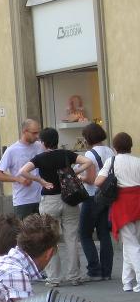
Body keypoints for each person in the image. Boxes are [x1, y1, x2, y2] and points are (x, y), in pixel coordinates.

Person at [18, 127, 93, 286]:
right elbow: (88, 162)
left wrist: (41, 181)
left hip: (49, 200)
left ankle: (54, 278)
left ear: (43, 142)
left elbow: (23, 171)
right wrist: (75, 172)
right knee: (71, 238)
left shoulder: (40, 158)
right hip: (69, 198)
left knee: (50, 240)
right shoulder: (66, 154)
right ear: (57, 140)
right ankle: (74, 276)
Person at [95, 132, 140, 292]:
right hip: (138, 202)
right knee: (131, 243)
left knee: (131, 244)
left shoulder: (112, 161)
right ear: (130, 145)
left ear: (114, 147)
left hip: (122, 205)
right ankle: (127, 281)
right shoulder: (138, 161)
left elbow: (98, 181)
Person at [78, 123, 115, 280]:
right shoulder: (110, 151)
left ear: (88, 138)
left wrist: (79, 177)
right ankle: (106, 271)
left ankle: (94, 269)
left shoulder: (90, 154)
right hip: (106, 197)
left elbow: (91, 179)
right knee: (104, 233)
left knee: (84, 234)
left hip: (92, 196)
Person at [0, 119, 43, 219]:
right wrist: (18, 179)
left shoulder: (40, 146)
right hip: (23, 201)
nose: (37, 136)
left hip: (42, 198)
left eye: (38, 132)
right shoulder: (12, 150)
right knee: (24, 228)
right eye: (34, 133)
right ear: (25, 131)